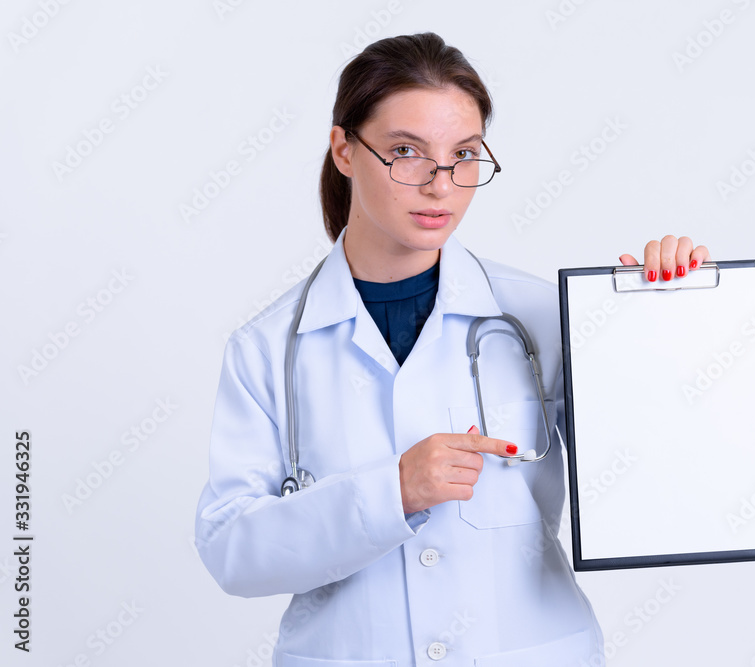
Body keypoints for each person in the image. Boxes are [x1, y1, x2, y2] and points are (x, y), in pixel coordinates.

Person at [195, 32, 710, 667]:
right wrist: (394, 492)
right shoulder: (267, 349)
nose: (441, 184)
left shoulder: (542, 316)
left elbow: (660, 481)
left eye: (464, 154)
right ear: (344, 151)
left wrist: (669, 321)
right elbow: (232, 552)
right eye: (406, 151)